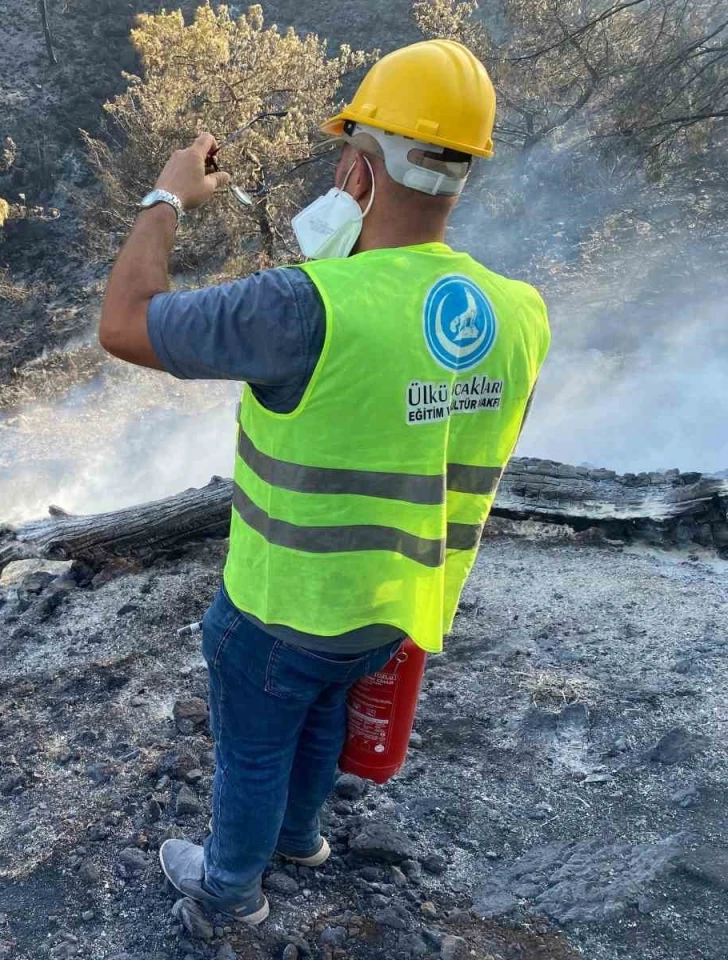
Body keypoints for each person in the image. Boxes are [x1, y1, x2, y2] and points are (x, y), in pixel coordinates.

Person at [98, 40, 550, 925]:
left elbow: (125, 323)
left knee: (253, 749)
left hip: (281, 606)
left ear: (357, 170)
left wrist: (167, 197)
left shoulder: (300, 306)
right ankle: (301, 839)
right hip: (395, 607)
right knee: (321, 717)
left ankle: (229, 893)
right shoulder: (519, 312)